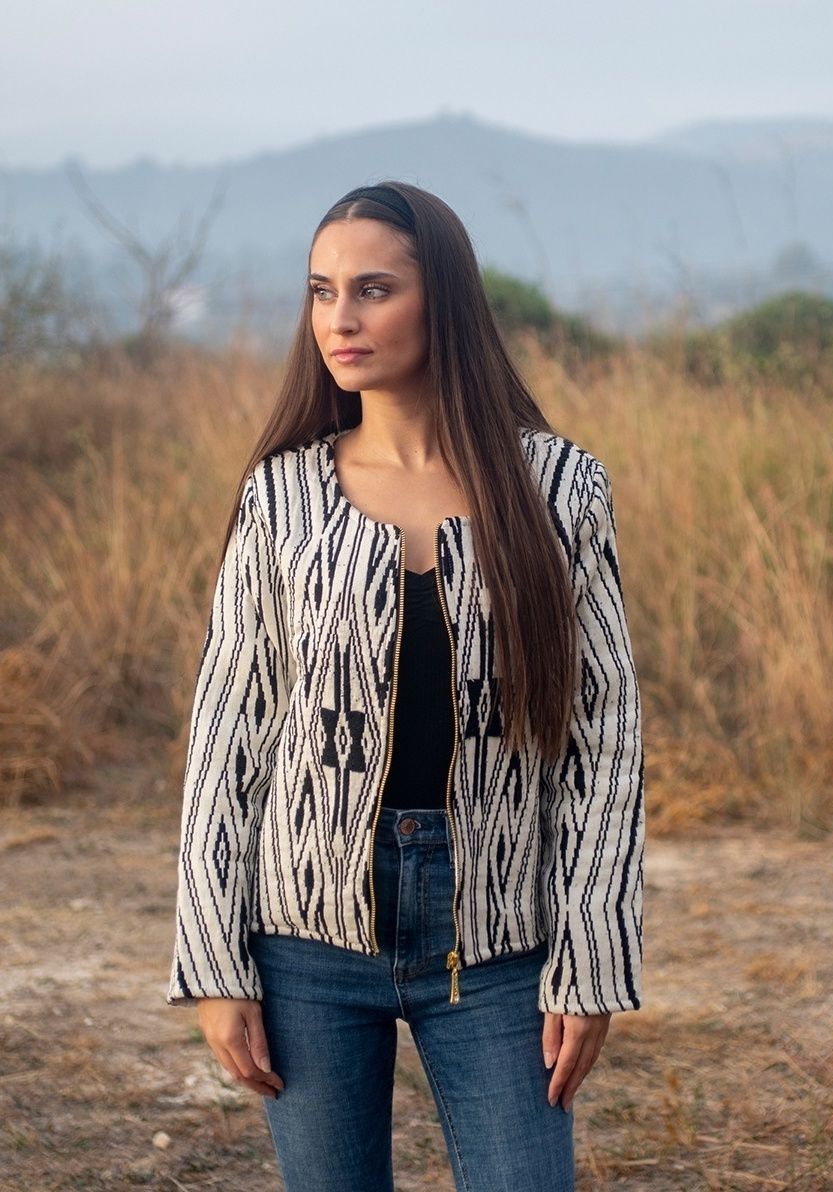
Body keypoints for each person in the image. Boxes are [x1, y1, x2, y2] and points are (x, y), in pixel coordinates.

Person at [166, 180, 644, 1192]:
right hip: (303, 934)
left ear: (446, 300)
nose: (339, 318)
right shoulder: (282, 495)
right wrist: (212, 959)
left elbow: (603, 737)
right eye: (321, 291)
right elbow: (230, 729)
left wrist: (592, 956)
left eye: (373, 289)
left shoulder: (560, 489)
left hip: (499, 930)